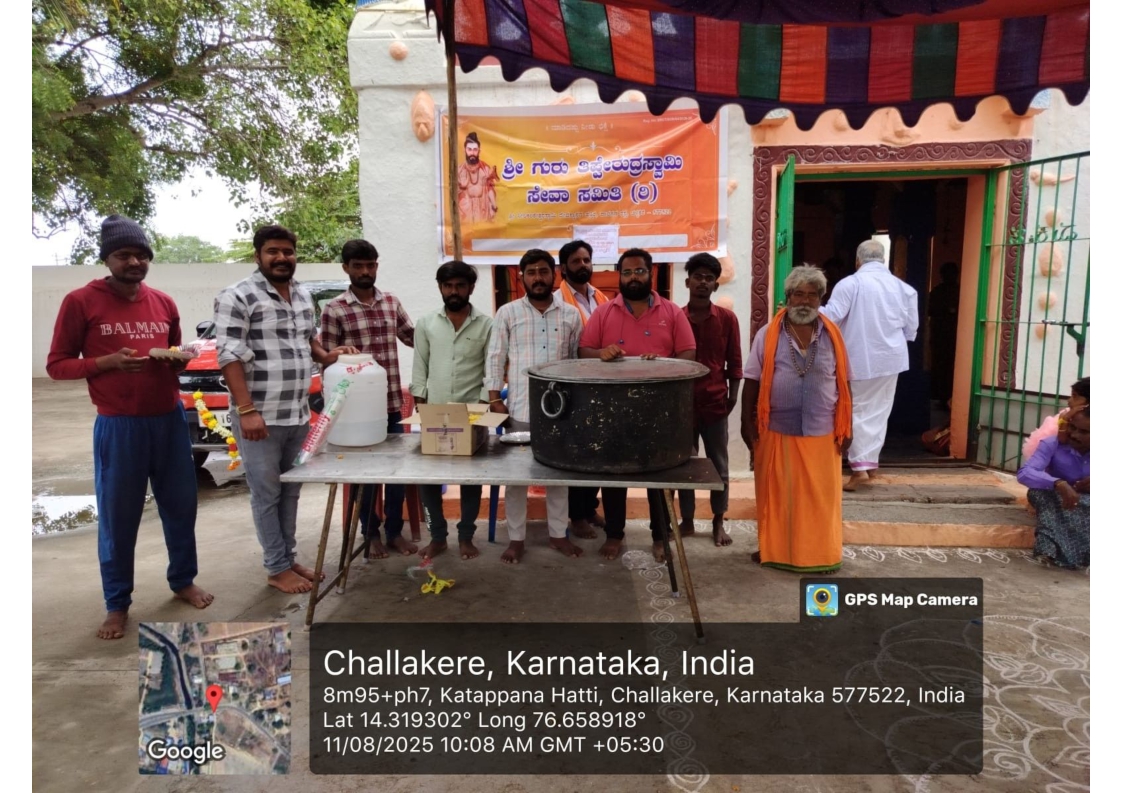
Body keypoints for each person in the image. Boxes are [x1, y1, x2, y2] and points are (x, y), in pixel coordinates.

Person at [47, 214, 214, 639]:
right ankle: (117, 603)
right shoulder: (81, 301)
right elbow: (57, 365)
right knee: (119, 518)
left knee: (181, 507)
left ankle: (182, 580)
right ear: (107, 259)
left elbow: (174, 352)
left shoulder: (163, 302)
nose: (135, 262)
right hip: (119, 425)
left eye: (142, 255)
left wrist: (178, 360)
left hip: (169, 421)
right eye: (124, 255)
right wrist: (107, 362)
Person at [215, 225, 354, 594]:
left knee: (290, 491)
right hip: (260, 416)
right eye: (272, 251)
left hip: (297, 413)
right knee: (267, 493)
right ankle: (276, 568)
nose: (281, 258)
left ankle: (288, 558)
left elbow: (307, 339)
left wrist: (328, 356)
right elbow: (229, 355)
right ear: (258, 255)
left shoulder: (302, 294)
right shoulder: (237, 295)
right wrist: (246, 409)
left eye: (287, 251)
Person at [578, 248, 697, 562]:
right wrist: (601, 353)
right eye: (627, 272)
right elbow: (584, 351)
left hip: (660, 412)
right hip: (613, 411)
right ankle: (614, 534)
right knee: (614, 476)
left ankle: (660, 536)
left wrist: (664, 365)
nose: (633, 278)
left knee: (659, 477)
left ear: (650, 273)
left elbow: (688, 354)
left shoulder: (672, 312)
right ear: (620, 276)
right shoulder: (604, 312)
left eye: (639, 271)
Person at [742, 266, 853, 573]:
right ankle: (775, 551)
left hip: (823, 430)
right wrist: (746, 422)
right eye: (799, 294)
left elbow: (845, 383)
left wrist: (849, 427)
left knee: (820, 500)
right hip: (776, 428)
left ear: (821, 298)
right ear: (788, 297)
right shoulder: (768, 334)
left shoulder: (834, 336)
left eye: (812, 295)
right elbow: (752, 379)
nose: (805, 301)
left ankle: (821, 556)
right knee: (778, 497)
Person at [485, 249, 584, 563]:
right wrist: (494, 400)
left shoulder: (570, 315)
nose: (538, 278)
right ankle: (516, 539)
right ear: (522, 277)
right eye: (531, 272)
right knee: (516, 479)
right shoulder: (508, 313)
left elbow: (576, 364)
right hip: (520, 409)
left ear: (555, 274)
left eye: (543, 271)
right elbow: (495, 357)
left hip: (560, 411)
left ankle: (558, 535)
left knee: (558, 477)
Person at [320, 239, 416, 558]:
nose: (365, 271)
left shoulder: (390, 302)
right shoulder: (335, 309)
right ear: (346, 268)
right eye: (358, 266)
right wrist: (337, 356)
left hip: (391, 405)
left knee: (396, 471)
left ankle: (394, 532)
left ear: (376, 266)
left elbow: (413, 338)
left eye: (370, 265)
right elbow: (326, 359)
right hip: (356, 413)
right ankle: (370, 532)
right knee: (365, 477)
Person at [819, 239, 918, 491]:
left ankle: (859, 470)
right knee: (879, 411)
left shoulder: (850, 284)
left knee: (857, 410)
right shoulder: (904, 288)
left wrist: (804, 310)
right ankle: (870, 464)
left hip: (859, 357)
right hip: (892, 358)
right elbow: (911, 329)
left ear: (857, 261)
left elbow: (831, 317)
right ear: (883, 259)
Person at [411, 261, 493, 561]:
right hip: (435, 413)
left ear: (471, 288)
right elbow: (420, 366)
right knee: (429, 480)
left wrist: (482, 404)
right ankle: (438, 537)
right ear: (440, 287)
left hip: (472, 413)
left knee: (471, 480)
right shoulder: (426, 323)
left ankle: (466, 536)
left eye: (460, 285)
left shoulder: (487, 325)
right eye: (448, 286)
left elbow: (490, 368)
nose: (454, 291)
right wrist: (421, 406)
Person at [678, 253, 742, 547]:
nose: (702, 282)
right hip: (683, 407)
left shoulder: (727, 319)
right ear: (687, 282)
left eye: (709, 278)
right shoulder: (676, 318)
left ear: (716, 285)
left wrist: (733, 397)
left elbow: (735, 362)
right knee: (685, 465)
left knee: (719, 466)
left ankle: (718, 520)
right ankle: (687, 520)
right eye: (698, 277)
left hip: (716, 403)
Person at [554, 239, 610, 539]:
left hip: (601, 386)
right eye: (576, 261)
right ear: (563, 268)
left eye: (586, 260)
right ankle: (576, 516)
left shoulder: (601, 297)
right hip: (573, 389)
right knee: (577, 455)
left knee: (598, 453)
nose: (583, 265)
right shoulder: (557, 302)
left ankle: (589, 508)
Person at [1017, 406, 1089, 569]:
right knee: (1040, 493)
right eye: (1072, 428)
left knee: (1083, 506)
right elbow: (1025, 473)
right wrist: (1058, 483)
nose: (1074, 435)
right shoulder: (1053, 443)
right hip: (1056, 496)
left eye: (1084, 432)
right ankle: (1051, 549)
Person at [1023, 377, 1089, 459]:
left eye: (1075, 396)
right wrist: (1066, 418)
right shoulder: (1066, 415)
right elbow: (1062, 439)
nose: (1069, 400)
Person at [928, 261, 960, 408]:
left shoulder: (938, 292)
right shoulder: (958, 291)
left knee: (943, 367)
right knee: (946, 367)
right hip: (946, 336)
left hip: (944, 336)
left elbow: (929, 311)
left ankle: (945, 398)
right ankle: (945, 398)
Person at [457, 131, 498, 224]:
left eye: (475, 150)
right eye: (469, 149)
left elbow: (490, 188)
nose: (472, 153)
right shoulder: (459, 171)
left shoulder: (485, 169)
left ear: (479, 151)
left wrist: (494, 207)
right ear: (465, 150)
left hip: (483, 212)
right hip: (465, 214)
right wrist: (461, 187)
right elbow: (453, 194)